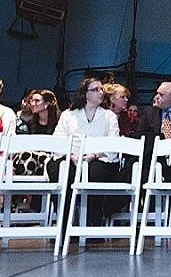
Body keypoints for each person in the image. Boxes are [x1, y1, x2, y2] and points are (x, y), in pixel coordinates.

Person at [48, 78, 120, 226]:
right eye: (95, 89)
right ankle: (64, 222)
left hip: (100, 158)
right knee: (64, 173)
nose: (101, 92)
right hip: (70, 156)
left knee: (94, 173)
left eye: (101, 89)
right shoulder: (68, 115)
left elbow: (113, 143)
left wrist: (94, 156)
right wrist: (73, 156)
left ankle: (91, 222)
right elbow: (59, 139)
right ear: (85, 94)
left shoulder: (109, 116)